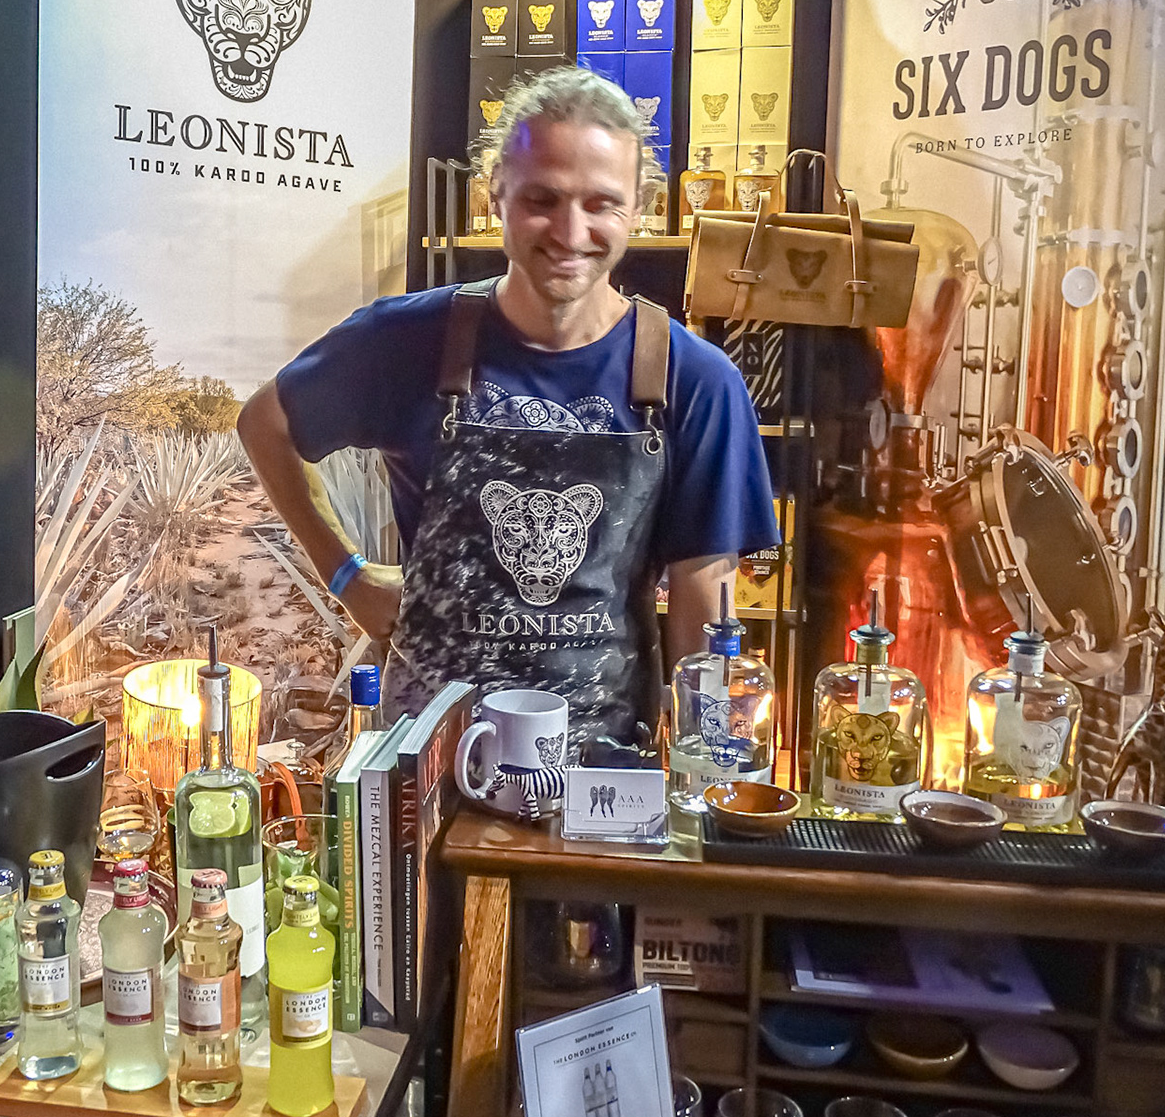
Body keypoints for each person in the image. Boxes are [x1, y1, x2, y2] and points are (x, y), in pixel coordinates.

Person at [238, 65, 780, 748]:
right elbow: (265, 424)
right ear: (496, 192)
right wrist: (348, 576)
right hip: (427, 761)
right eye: (543, 199)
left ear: (640, 206)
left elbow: (704, 601)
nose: (571, 231)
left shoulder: (696, 380)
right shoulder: (407, 340)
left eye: (602, 204)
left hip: (603, 772)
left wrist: (702, 763)